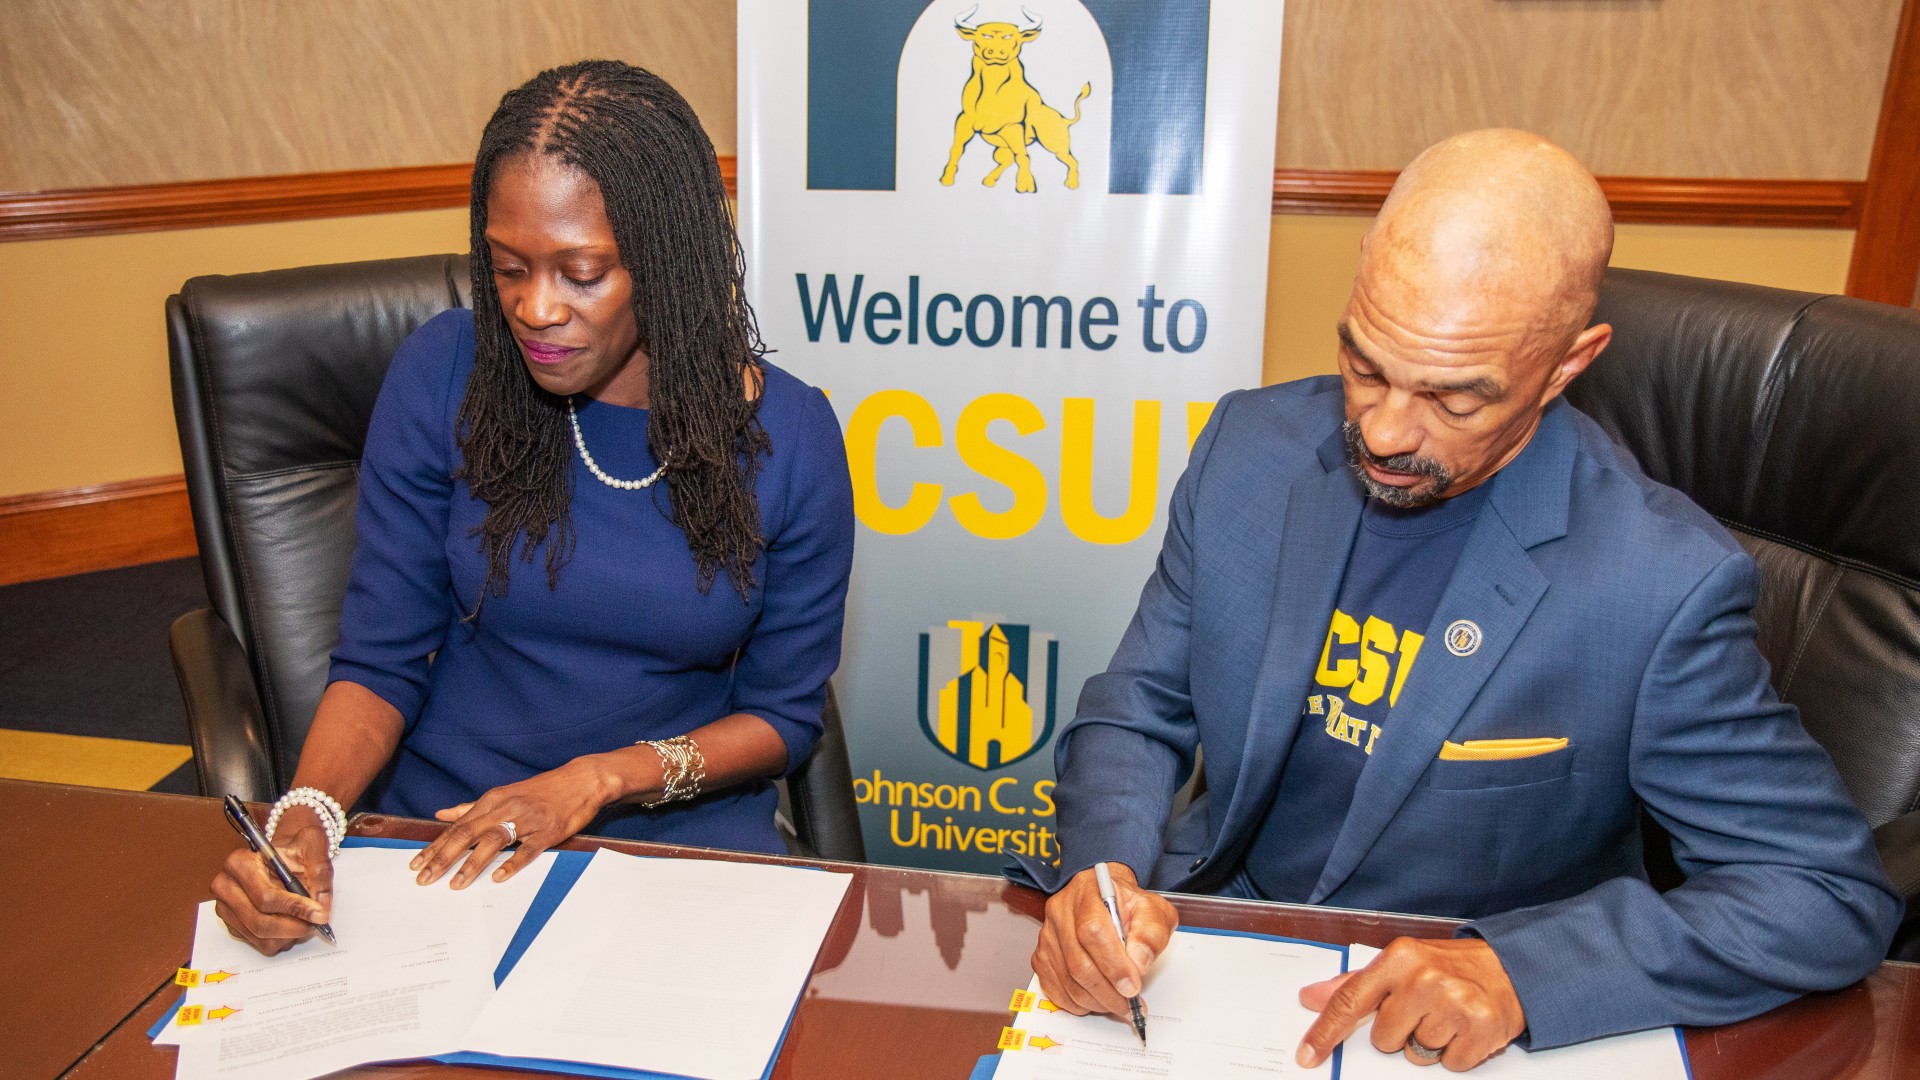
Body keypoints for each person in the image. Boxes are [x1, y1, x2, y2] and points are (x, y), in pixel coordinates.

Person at [1014, 130, 1901, 1071]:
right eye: (1365, 366)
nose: (1386, 432)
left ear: (1568, 363)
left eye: (1455, 400)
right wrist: (1101, 873)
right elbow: (1138, 708)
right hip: (1207, 962)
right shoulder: (1250, 451)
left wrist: (1521, 974)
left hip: (1451, 1026)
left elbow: (1823, 893)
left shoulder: (1659, 584)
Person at [211, 60, 854, 955]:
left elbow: (782, 718)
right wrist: (310, 813)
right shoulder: (445, 377)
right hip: (448, 835)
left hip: (670, 840)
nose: (535, 308)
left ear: (665, 264)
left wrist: (595, 781)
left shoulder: (789, 438)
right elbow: (381, 657)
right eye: (509, 268)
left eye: (582, 273)